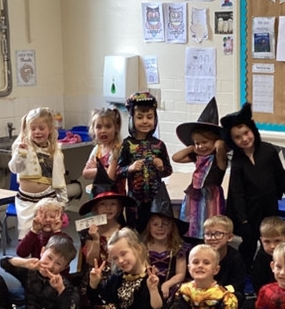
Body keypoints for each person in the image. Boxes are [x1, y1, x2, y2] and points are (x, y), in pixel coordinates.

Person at [220, 101, 285, 269]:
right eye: (237, 137)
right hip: (249, 211)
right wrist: (243, 221)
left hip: (269, 205)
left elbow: (280, 175)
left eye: (246, 133)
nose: (244, 139)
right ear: (232, 140)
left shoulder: (268, 151)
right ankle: (245, 272)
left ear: (252, 130)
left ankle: (273, 269)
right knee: (249, 243)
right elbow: (237, 192)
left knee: (271, 242)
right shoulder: (238, 161)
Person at [172, 97, 228, 241]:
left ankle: (211, 242)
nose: (200, 146)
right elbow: (176, 158)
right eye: (197, 143)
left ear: (215, 141)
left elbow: (222, 163)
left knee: (211, 223)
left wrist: (220, 147)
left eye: (205, 142)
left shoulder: (218, 157)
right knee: (193, 222)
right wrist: (191, 147)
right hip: (195, 194)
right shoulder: (197, 156)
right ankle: (193, 243)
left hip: (211, 196)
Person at [8, 107, 68, 241]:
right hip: (26, 199)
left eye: (41, 128)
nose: (37, 132)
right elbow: (14, 169)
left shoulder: (55, 150)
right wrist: (20, 154)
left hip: (48, 197)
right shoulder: (21, 145)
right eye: (33, 128)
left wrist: (63, 202)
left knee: (49, 234)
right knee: (26, 235)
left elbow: (59, 178)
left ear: (50, 129)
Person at [116, 91, 172, 233]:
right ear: (132, 119)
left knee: (154, 230)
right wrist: (130, 168)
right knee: (135, 231)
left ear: (155, 119)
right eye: (140, 117)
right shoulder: (127, 144)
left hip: (156, 199)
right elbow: (118, 171)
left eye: (149, 117)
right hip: (134, 200)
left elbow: (168, 170)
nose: (145, 121)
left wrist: (161, 167)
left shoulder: (159, 145)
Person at [140, 190, 187, 305]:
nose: (160, 228)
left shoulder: (178, 247)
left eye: (165, 224)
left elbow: (180, 274)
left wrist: (167, 284)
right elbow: (142, 267)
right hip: (150, 283)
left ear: (171, 227)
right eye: (155, 224)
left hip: (171, 285)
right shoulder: (143, 247)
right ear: (149, 227)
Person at [201, 214, 247, 308]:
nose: (212, 238)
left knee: (238, 296)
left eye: (218, 234)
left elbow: (238, 284)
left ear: (229, 237)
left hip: (226, 292)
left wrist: (218, 292)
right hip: (203, 292)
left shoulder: (235, 257)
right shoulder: (199, 254)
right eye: (208, 234)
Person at [82, 105, 125, 195]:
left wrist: (96, 169)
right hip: (100, 194)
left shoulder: (117, 149)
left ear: (116, 128)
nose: (103, 131)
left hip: (115, 195)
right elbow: (85, 173)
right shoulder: (97, 149)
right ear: (93, 130)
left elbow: (110, 177)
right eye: (99, 127)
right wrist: (102, 170)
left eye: (108, 126)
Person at [250, 216, 285, 296]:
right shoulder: (260, 259)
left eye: (277, 241)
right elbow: (258, 285)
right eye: (267, 241)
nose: (272, 246)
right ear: (261, 240)